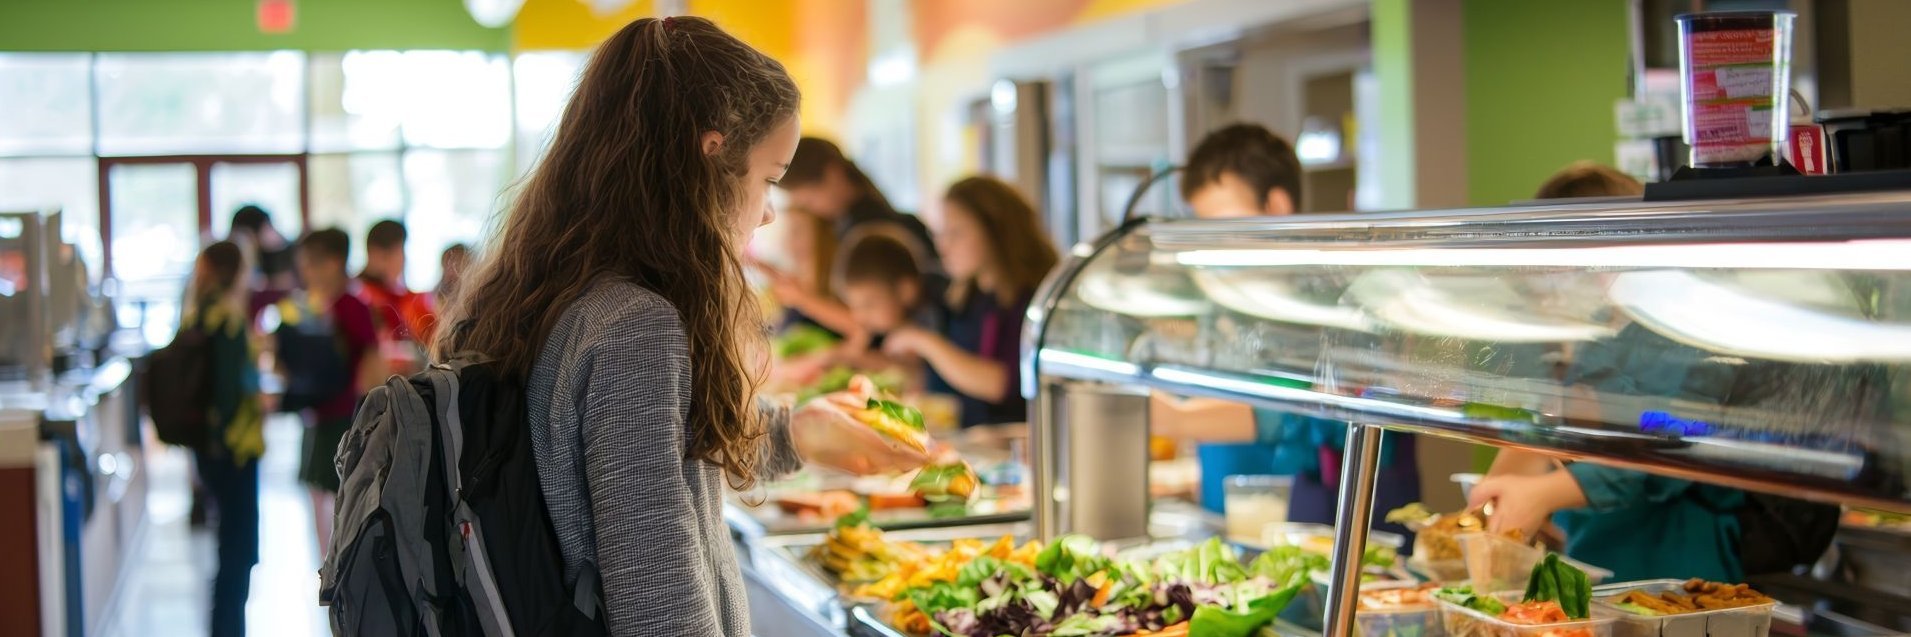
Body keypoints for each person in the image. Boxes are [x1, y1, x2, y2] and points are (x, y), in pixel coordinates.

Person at [431, 17, 928, 636]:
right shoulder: (637, 327)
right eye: (768, 179)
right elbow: (656, 594)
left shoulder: (575, 292)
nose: (769, 211)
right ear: (710, 155)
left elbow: (659, 451)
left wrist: (797, 432)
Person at [1150, 123, 1422, 531]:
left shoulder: (1346, 294)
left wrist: (1180, 420)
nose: (1214, 242)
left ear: (1277, 205)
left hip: (1338, 533)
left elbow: (1322, 415)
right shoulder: (1222, 295)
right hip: (1230, 520)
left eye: (1224, 223)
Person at [883, 176, 1058, 429]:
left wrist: (923, 341)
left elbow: (1001, 384)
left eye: (956, 233)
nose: (943, 247)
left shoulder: (1033, 301)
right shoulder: (972, 297)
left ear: (996, 231)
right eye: (940, 234)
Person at [766, 137, 943, 336]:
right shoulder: (851, 224)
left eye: (810, 200)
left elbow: (864, 324)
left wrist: (802, 299)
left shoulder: (865, 232)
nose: (814, 211)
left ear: (833, 174)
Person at [180, 241, 266, 637]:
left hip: (209, 451)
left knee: (227, 549)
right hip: (235, 451)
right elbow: (232, 394)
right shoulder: (228, 319)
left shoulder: (196, 313)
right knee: (239, 552)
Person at [288, 228, 379, 559]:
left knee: (343, 491)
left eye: (314, 263)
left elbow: (371, 356)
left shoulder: (352, 304)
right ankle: (326, 562)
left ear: (335, 262)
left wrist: (368, 408)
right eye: (304, 264)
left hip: (345, 412)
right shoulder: (311, 304)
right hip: (316, 410)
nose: (307, 271)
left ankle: (343, 561)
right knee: (317, 490)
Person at [355, 219, 435, 373]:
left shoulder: (397, 295)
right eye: (400, 251)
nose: (403, 260)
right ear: (377, 254)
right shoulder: (364, 297)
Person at [433, 243, 472, 308]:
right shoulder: (431, 297)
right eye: (448, 262)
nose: (452, 267)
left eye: (458, 263)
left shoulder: (473, 294)